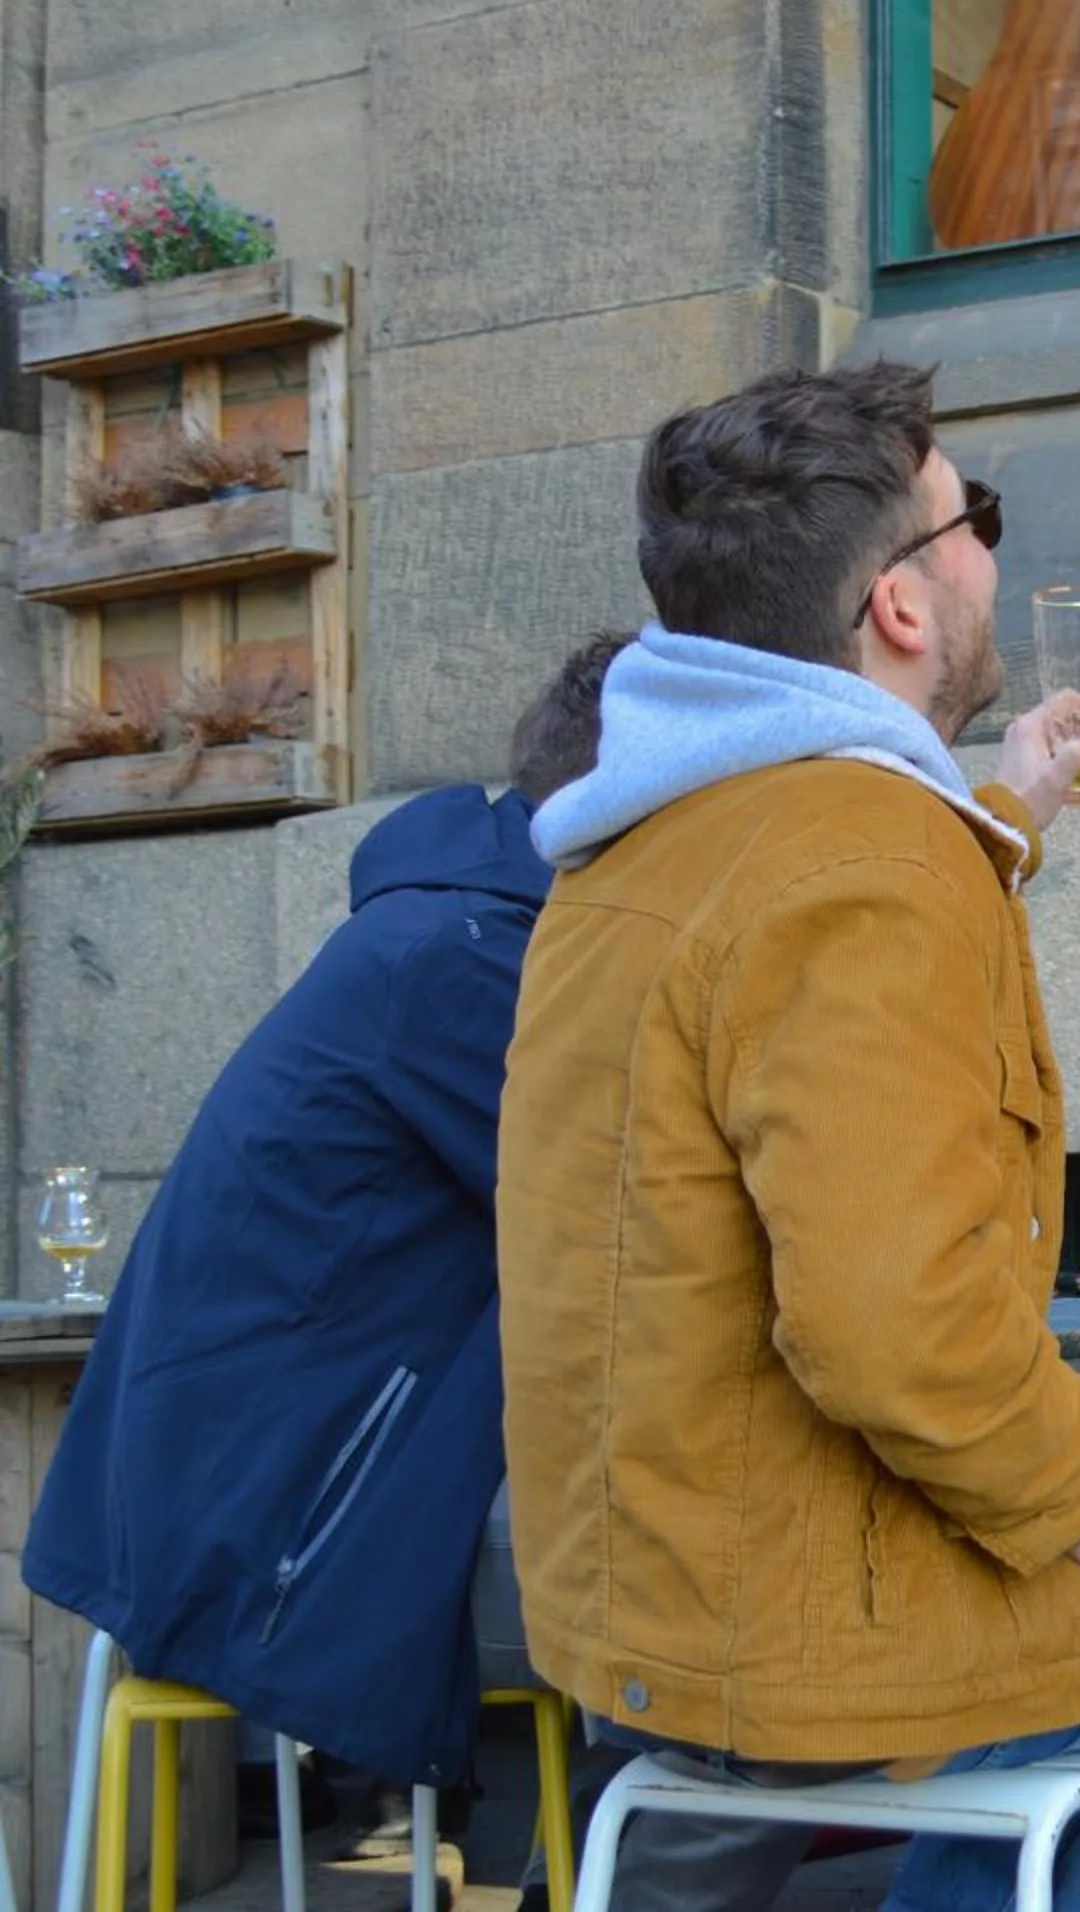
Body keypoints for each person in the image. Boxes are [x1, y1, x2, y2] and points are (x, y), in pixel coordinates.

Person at [496, 361, 1080, 1912]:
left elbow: (818, 976)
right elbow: (888, 1324)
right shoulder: (867, 858)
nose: (990, 552)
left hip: (637, 1618)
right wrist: (1079, 1500)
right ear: (902, 605)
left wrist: (1006, 814)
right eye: (970, 518)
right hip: (821, 1621)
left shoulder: (640, 847)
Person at [23, 633, 628, 1799]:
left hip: (210, 1488)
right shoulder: (463, 961)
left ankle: (621, 1845)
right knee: (690, 1566)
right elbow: (627, 1229)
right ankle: (630, 1849)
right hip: (264, 1527)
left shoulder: (450, 925)